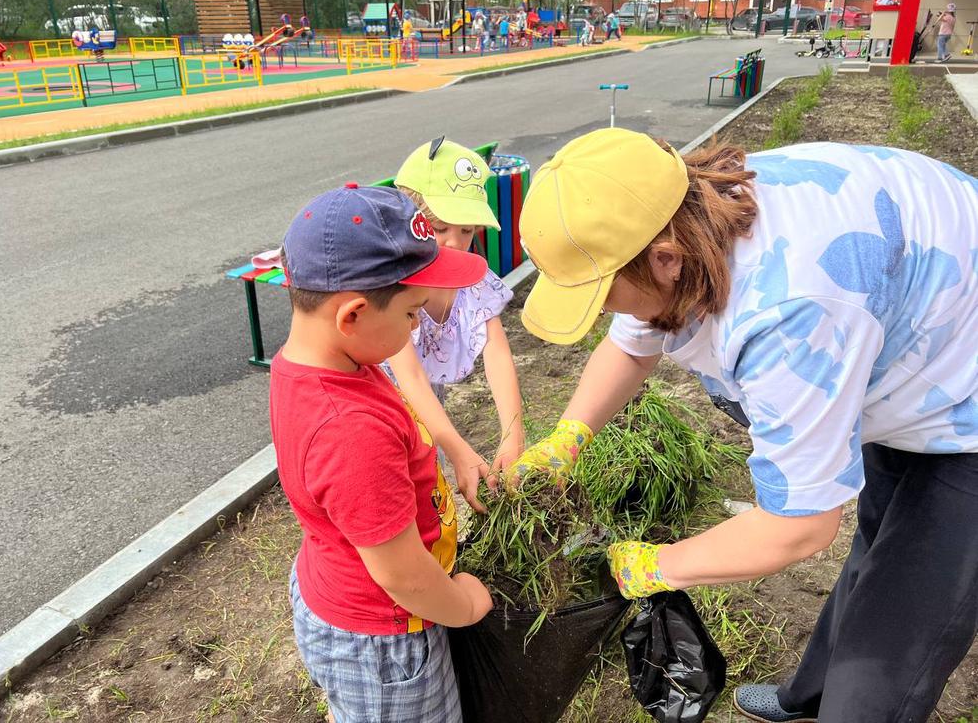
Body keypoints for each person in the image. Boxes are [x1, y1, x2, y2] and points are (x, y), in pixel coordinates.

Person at [510, 128, 978, 722]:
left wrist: (653, 565)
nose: (603, 310)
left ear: (664, 259)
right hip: (920, 335)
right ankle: (809, 697)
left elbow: (800, 528)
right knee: (880, 535)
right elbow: (632, 347)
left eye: (602, 293)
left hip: (967, 385)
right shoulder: (679, 215)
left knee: (905, 615)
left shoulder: (790, 311)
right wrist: (565, 440)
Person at [272, 184, 494, 722]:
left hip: (344, 597)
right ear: (351, 314)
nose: (417, 325)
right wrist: (463, 605)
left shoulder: (329, 362)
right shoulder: (348, 430)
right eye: (412, 312)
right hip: (386, 642)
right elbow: (404, 577)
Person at [385, 137, 525, 511]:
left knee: (431, 486)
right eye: (441, 227)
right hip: (379, 407)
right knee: (395, 494)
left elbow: (496, 352)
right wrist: (460, 449)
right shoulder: (395, 285)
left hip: (429, 405)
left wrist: (513, 436)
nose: (455, 243)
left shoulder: (471, 280)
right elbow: (409, 377)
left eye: (466, 231)